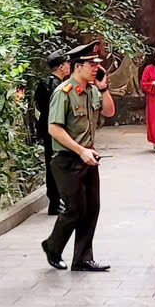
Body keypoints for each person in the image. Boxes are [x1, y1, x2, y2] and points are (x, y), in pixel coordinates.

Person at [41, 42, 116, 273]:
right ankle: (52, 246)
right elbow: (54, 129)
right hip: (67, 159)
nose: (96, 68)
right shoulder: (63, 93)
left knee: (92, 208)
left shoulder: (93, 90)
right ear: (77, 66)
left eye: (97, 64)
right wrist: (80, 150)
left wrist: (103, 88)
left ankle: (83, 258)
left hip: (88, 157)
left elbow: (109, 111)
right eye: (91, 64)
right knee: (74, 209)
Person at [34, 48, 73, 213]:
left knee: (58, 165)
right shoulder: (52, 85)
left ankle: (58, 200)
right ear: (61, 67)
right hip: (52, 131)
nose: (69, 67)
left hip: (53, 129)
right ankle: (55, 202)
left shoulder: (53, 84)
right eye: (67, 64)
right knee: (54, 166)